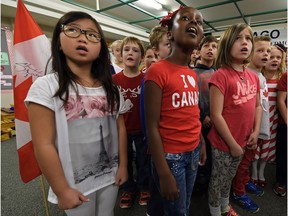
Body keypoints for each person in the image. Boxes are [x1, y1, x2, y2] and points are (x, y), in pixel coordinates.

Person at [24, 11, 128, 216]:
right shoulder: (46, 87)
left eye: (92, 34)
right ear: (59, 44)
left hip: (109, 174)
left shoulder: (112, 89)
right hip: (73, 183)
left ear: (100, 49)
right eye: (72, 30)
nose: (82, 37)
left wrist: (123, 165)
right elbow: (43, 144)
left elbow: (120, 128)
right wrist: (62, 190)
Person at [144, 6, 206, 216]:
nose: (194, 23)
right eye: (186, 19)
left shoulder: (191, 73)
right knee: (175, 211)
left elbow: (192, 112)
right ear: (170, 33)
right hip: (171, 158)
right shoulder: (157, 70)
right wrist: (163, 172)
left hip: (193, 151)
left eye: (198, 21)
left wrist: (201, 142)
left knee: (185, 205)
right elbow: (151, 125)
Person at [208, 23, 261, 216]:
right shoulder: (220, 76)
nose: (244, 42)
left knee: (229, 178)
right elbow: (216, 115)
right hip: (224, 143)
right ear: (227, 44)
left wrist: (255, 132)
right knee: (218, 180)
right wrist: (232, 144)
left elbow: (256, 106)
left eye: (248, 38)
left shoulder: (253, 77)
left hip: (243, 140)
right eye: (238, 38)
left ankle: (224, 207)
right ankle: (216, 211)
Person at [231, 35, 271, 213]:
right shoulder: (247, 75)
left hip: (259, 128)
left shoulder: (260, 75)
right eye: (260, 50)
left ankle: (245, 182)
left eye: (268, 51)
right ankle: (238, 192)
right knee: (243, 163)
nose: (266, 54)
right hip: (249, 130)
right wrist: (254, 130)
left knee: (247, 162)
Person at [112, 36, 150, 208]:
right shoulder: (114, 81)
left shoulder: (146, 79)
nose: (130, 53)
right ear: (120, 54)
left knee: (143, 160)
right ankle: (128, 189)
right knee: (123, 159)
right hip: (122, 130)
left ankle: (144, 186)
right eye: (127, 49)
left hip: (142, 129)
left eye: (135, 51)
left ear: (141, 57)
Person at [252, 44, 286, 187]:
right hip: (259, 117)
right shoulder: (258, 77)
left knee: (267, 146)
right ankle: (253, 171)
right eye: (271, 57)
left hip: (274, 118)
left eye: (278, 57)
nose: (274, 60)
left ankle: (262, 171)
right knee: (256, 146)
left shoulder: (281, 78)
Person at [193, 35, 218, 194]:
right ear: (199, 50)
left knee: (212, 156)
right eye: (207, 46)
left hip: (216, 122)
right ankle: (197, 185)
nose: (210, 49)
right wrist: (203, 116)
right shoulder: (192, 72)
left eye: (214, 46)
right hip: (199, 122)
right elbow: (192, 99)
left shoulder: (217, 72)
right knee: (200, 156)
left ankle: (207, 185)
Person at [273, 71, 287, 197]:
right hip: (285, 123)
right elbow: (281, 101)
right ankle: (281, 181)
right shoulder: (286, 76)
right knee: (283, 155)